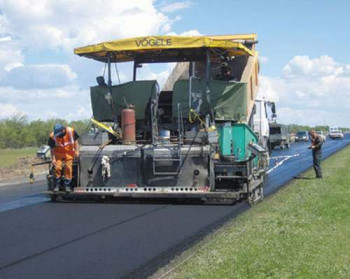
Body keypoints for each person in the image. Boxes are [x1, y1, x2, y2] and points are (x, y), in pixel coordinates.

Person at [48, 124, 80, 192]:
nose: (58, 135)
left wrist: (76, 151)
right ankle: (57, 185)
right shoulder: (52, 136)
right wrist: (53, 159)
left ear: (63, 130)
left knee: (68, 167)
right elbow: (52, 148)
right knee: (57, 167)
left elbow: (76, 141)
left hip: (69, 153)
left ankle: (67, 185)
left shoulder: (71, 131)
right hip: (58, 154)